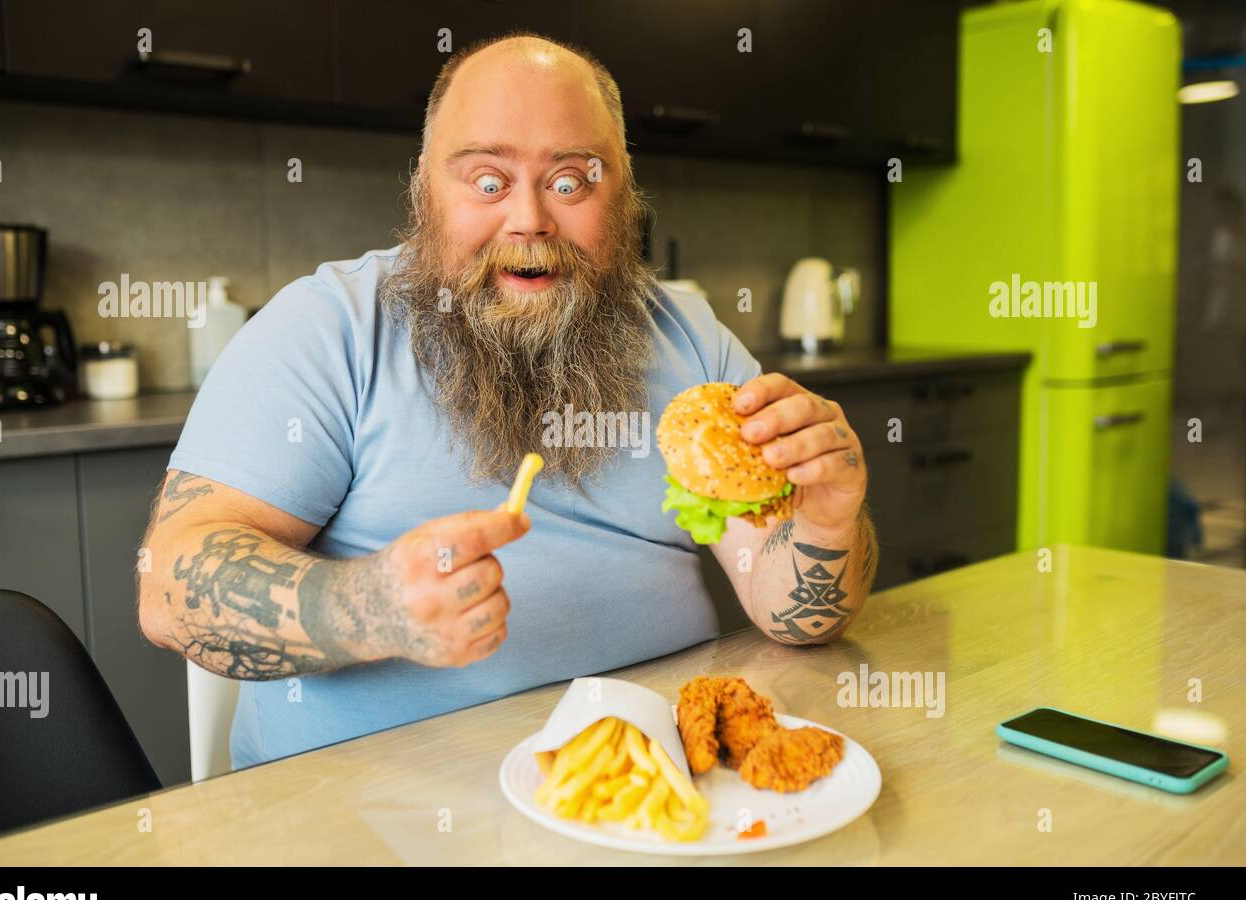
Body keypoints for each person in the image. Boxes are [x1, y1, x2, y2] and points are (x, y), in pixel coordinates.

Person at [136, 32, 878, 769]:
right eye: (488, 181)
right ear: (424, 188)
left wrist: (828, 520)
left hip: (653, 797)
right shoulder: (324, 330)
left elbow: (797, 614)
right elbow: (169, 588)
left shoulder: (691, 341)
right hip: (361, 823)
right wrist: (371, 608)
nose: (530, 220)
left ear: (624, 195)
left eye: (571, 181)